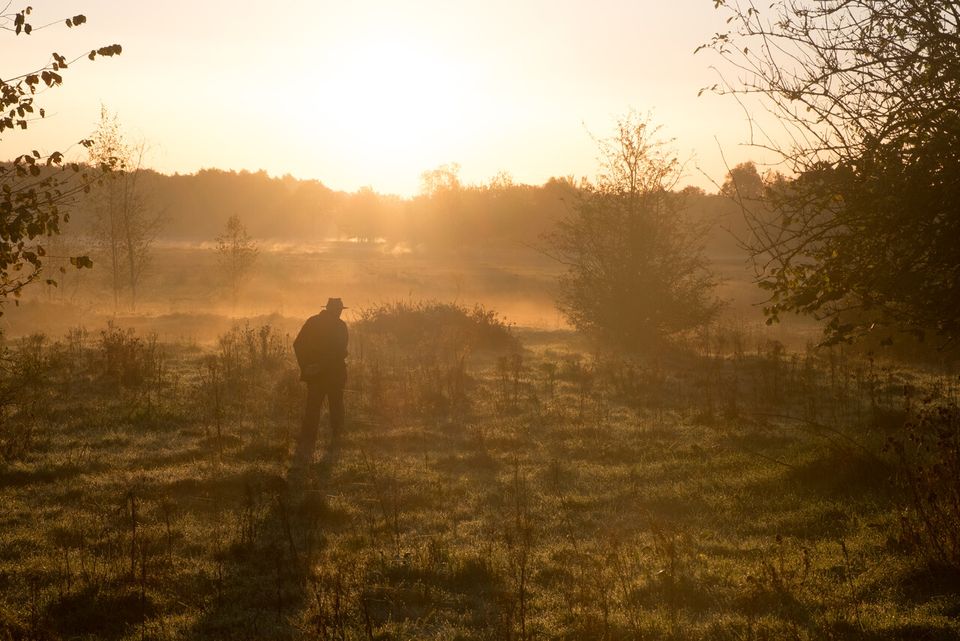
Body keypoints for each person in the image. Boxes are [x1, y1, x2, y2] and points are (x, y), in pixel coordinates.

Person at [292, 297, 348, 465]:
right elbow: (340, 352)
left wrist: (307, 366)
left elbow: (298, 344)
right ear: (334, 310)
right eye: (338, 310)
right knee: (335, 407)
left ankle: (308, 444)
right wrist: (313, 366)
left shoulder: (313, 322)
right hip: (335, 374)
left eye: (340, 310)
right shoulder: (340, 326)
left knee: (313, 409)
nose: (339, 313)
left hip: (318, 376)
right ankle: (335, 441)